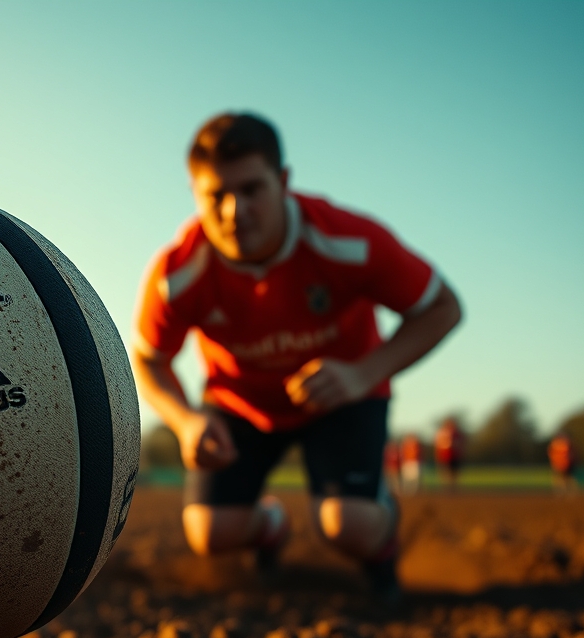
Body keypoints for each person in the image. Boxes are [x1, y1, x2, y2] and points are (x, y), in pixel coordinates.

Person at [131, 113, 462, 601]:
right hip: (240, 405)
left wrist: (362, 374)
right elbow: (148, 358)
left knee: (347, 525)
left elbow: (443, 307)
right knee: (209, 534)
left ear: (283, 181)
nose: (234, 211)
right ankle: (271, 529)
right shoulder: (176, 273)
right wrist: (185, 421)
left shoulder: (349, 239)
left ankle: (381, 540)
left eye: (251, 189)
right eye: (215, 196)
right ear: (194, 194)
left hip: (343, 396)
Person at [433, 417, 466, 492]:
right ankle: (446, 487)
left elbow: (461, 444)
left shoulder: (457, 433)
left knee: (455, 472)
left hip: (455, 456)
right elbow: (438, 444)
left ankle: (454, 487)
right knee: (445, 472)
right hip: (445, 455)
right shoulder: (441, 432)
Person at [548, 432, 577, 497]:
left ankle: (562, 492)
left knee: (562, 478)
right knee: (563, 479)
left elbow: (551, 454)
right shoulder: (566, 444)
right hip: (562, 464)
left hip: (562, 464)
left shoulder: (555, 444)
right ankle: (565, 492)